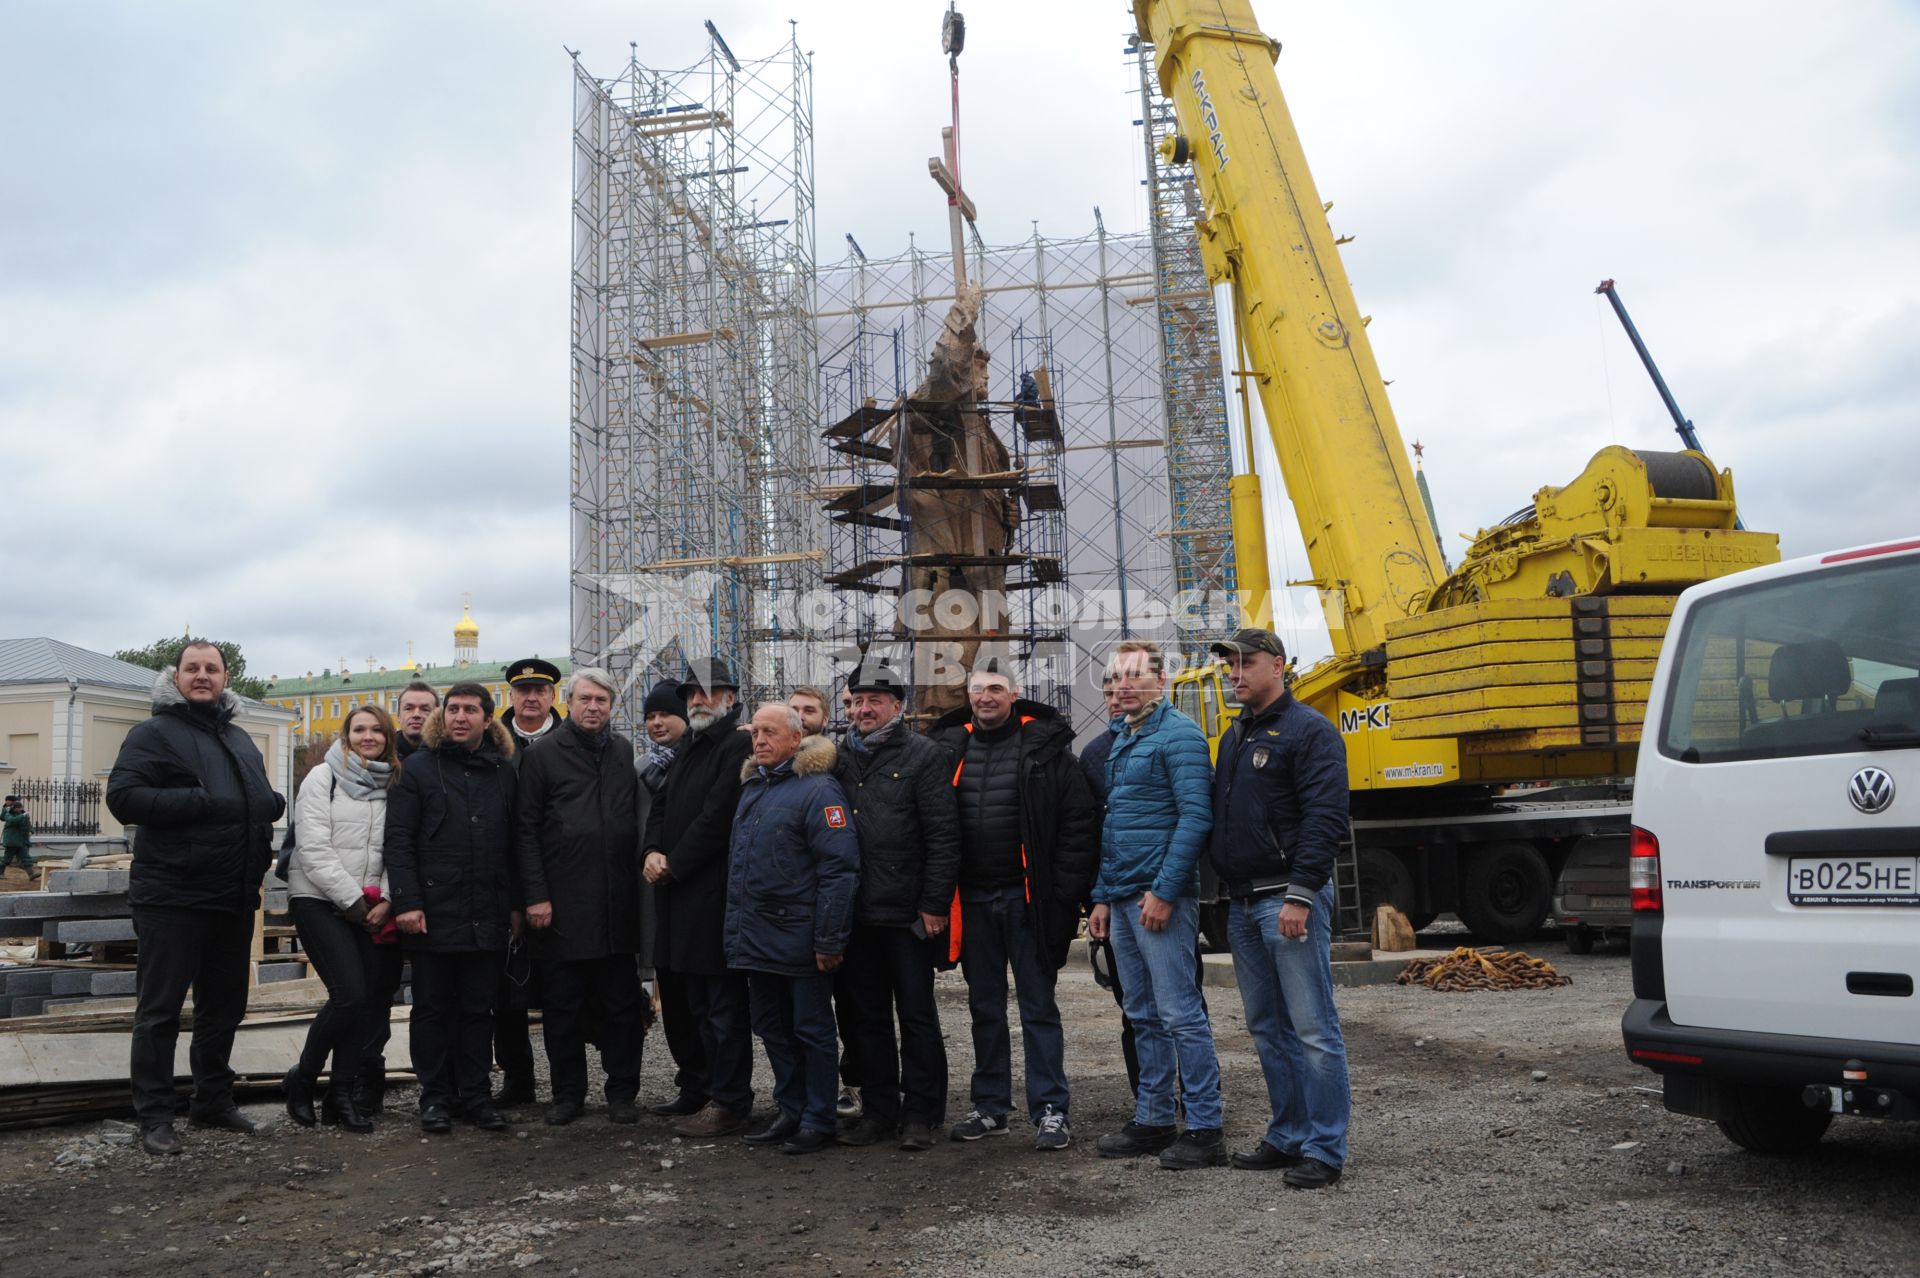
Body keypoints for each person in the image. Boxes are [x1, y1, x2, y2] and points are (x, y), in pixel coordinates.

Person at [106, 643, 287, 1157]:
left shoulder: (238, 737)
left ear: (225, 677)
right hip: (173, 896)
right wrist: (196, 801)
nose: (202, 676)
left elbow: (255, 797)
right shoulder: (153, 733)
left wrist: (267, 805)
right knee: (160, 1012)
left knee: (223, 1007)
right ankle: (156, 1116)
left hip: (232, 895)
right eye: (193, 669)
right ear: (177, 677)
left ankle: (211, 1100)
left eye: (212, 669)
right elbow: (123, 798)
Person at [930, 662, 1097, 1152]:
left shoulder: (1047, 751)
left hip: (1028, 903)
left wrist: (1063, 895)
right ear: (968, 696)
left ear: (1015, 694)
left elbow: (1077, 827)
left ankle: (1050, 1110)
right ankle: (989, 1107)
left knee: (1038, 1007)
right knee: (984, 1009)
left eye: (995, 689)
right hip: (973, 901)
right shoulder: (949, 749)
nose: (986, 697)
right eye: (977, 690)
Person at [1207, 628, 1352, 1189]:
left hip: (1285, 900)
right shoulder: (1234, 735)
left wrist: (1301, 893)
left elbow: (1325, 819)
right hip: (1243, 903)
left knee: (1314, 1028)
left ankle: (1325, 1148)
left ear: (1279, 665)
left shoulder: (1309, 731)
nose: (1235, 674)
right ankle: (1288, 1133)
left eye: (1245, 663)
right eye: (1229, 665)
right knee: (1268, 1027)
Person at [1087, 640, 1224, 1170]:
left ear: (1160, 680)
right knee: (1141, 1013)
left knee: (1180, 1013)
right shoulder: (1124, 738)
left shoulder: (1180, 736)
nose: (1121, 685)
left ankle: (1206, 1127)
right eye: (1115, 676)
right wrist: (1101, 896)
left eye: (1132, 675)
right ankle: (1153, 1118)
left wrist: (1165, 892)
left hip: (1159, 899)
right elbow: (1113, 827)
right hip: (1122, 898)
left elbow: (1195, 819)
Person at [829, 663, 961, 1152]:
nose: (864, 710)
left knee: (917, 1015)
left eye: (874, 702)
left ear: (897, 707)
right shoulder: (839, 757)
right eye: (857, 701)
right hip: (856, 913)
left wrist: (933, 904)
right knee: (866, 1017)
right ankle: (880, 1112)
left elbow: (944, 835)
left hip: (907, 915)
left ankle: (921, 1113)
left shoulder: (925, 755)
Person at [384, 682, 520, 1134]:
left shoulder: (503, 771)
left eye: (471, 710)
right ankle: (436, 1098)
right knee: (432, 1008)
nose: (461, 717)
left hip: (488, 909)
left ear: (488, 717)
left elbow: (515, 844)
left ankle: (476, 1096)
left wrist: (516, 905)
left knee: (479, 1009)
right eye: (454, 709)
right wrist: (407, 902)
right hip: (433, 911)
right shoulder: (418, 769)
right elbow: (399, 841)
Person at [514, 667, 647, 1126]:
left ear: (613, 707)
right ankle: (568, 1094)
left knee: (622, 1008)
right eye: (586, 699)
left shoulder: (621, 750)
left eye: (602, 701)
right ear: (568, 702)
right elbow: (526, 830)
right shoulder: (544, 755)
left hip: (615, 904)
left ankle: (622, 1092)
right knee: (563, 1009)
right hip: (562, 905)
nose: (594, 707)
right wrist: (535, 895)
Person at [727, 703, 859, 1154]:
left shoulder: (819, 790)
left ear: (795, 738)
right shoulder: (754, 787)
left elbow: (839, 870)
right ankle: (791, 1107)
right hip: (759, 936)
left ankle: (819, 1117)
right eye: (755, 733)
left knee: (811, 1030)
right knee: (771, 1026)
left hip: (801, 938)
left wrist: (828, 938)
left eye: (769, 733)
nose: (759, 740)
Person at [643, 657, 756, 1137]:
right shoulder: (690, 743)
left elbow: (717, 817)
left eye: (709, 692)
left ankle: (729, 1101)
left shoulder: (736, 744)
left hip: (711, 896)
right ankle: (699, 1088)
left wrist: (674, 863)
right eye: (691, 694)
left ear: (730, 697)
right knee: (690, 1004)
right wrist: (651, 849)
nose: (698, 700)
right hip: (678, 895)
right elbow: (663, 807)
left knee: (720, 1007)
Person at [284, 704, 399, 1133]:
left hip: (370, 903)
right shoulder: (323, 776)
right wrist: (354, 901)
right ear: (346, 734)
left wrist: (386, 898)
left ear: (388, 735)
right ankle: (303, 1079)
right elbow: (312, 846)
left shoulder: (393, 781)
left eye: (376, 730)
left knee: (368, 1001)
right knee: (348, 993)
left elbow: (398, 846)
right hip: (317, 897)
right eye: (358, 729)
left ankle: (341, 1096)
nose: (368, 736)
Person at [355, 681, 439, 1111]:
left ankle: (439, 1088)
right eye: (409, 707)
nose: (417, 715)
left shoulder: (445, 761)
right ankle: (367, 1082)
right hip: (376, 900)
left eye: (426, 707)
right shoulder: (377, 764)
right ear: (398, 713)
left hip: (427, 901)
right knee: (373, 994)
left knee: (431, 997)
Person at [490, 657, 562, 1108]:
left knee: (559, 992)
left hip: (561, 885)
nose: (531, 697)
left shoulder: (570, 742)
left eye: (540, 690)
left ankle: (565, 1087)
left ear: (553, 696)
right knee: (506, 996)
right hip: (503, 886)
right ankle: (518, 1081)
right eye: (523, 690)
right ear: (511, 696)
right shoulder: (492, 744)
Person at [794, 682, 863, 1120]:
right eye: (793, 709)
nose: (801, 716)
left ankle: (853, 1085)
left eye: (809, 709)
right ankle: (813, 1091)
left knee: (852, 1007)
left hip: (844, 904)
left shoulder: (833, 767)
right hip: (800, 913)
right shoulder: (775, 766)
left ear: (825, 717)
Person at [635, 679, 702, 1117]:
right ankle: (691, 1081)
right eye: (651, 716)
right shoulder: (640, 766)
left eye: (666, 715)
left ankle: (716, 1083)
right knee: (673, 995)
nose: (658, 723)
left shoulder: (707, 759)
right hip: (654, 892)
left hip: (698, 895)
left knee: (705, 998)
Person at [395, 681, 439, 759]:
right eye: (408, 708)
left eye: (425, 709)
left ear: (437, 717)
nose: (416, 714)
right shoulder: (382, 754)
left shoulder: (450, 755)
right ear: (398, 716)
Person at [0, 796, 33, 874]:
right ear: (13, 808)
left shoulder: (22, 815)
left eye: (20, 808)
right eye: (17, 808)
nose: (19, 809)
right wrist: (22, 816)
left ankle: (31, 874)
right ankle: (0, 872)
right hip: (12, 840)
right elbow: (12, 820)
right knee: (7, 859)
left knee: (26, 857)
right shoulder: (8, 814)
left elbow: (27, 824)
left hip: (20, 840)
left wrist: (31, 830)